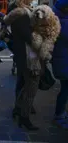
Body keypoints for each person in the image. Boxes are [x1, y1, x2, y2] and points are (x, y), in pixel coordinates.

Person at [4, 0, 40, 130]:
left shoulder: (17, 12)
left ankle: (18, 111)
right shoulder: (21, 13)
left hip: (22, 54)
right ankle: (24, 118)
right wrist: (40, 43)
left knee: (23, 84)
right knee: (30, 88)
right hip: (28, 56)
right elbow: (27, 36)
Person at [51, 0, 68, 129]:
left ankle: (61, 114)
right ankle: (59, 115)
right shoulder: (63, 21)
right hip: (64, 61)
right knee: (65, 90)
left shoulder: (57, 18)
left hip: (62, 60)